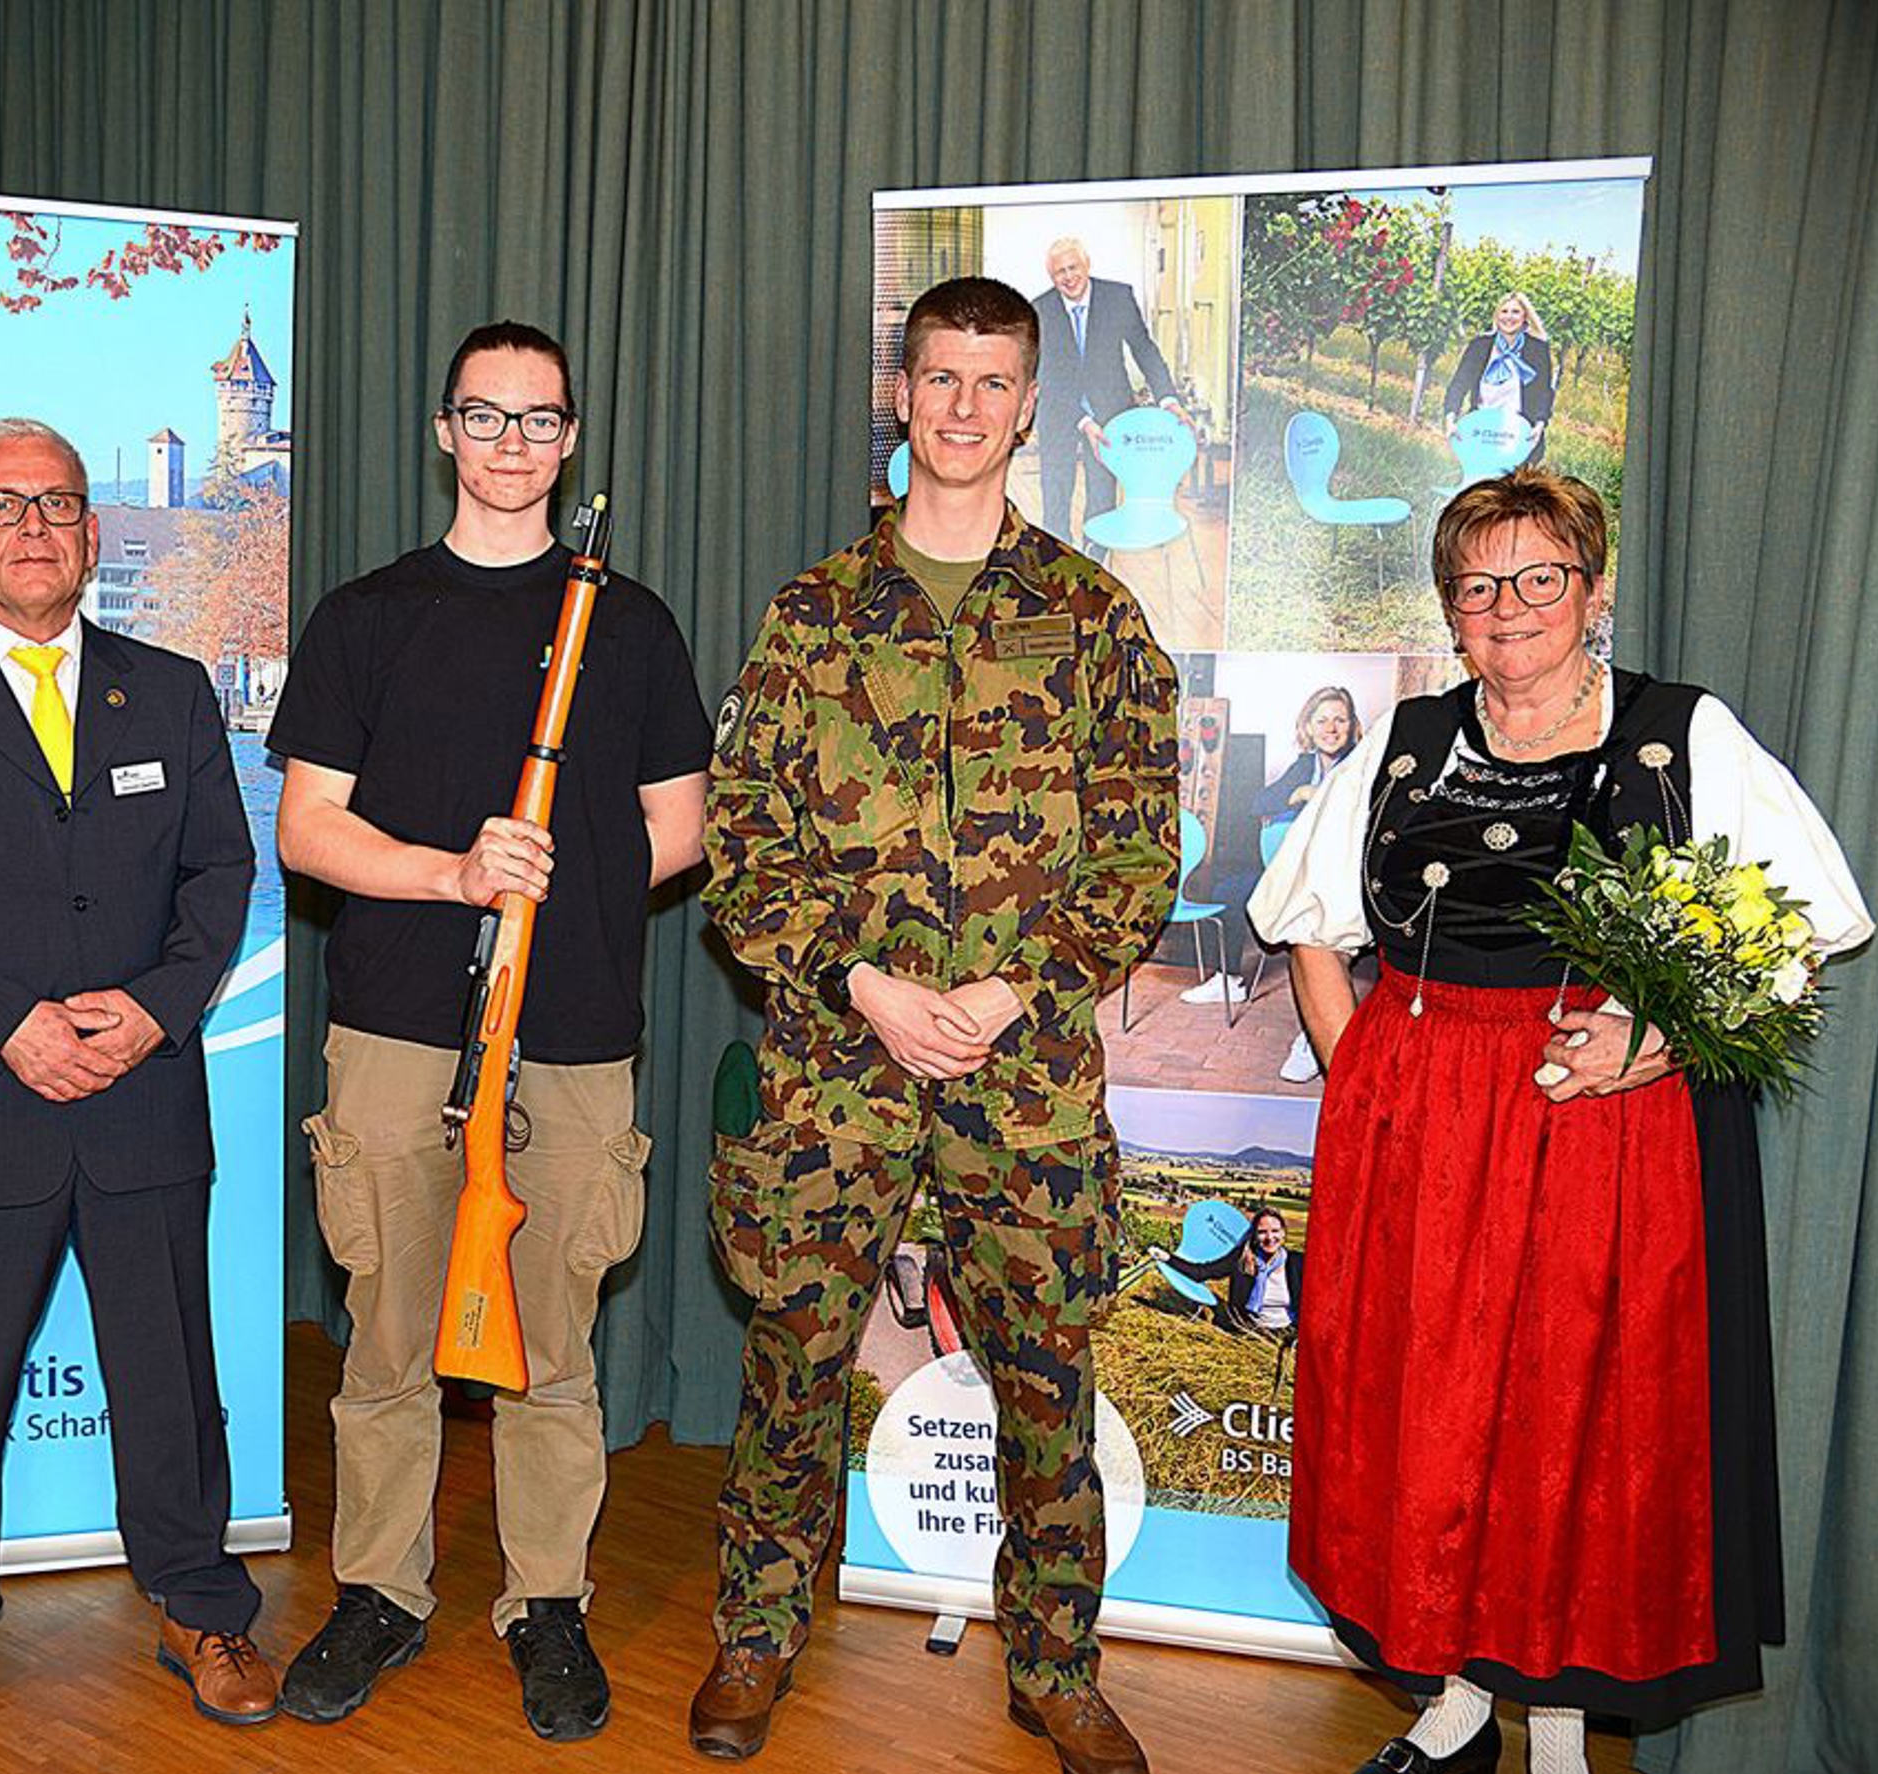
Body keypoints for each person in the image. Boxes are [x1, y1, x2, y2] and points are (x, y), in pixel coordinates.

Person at [1249, 467, 1872, 1774]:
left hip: (1603, 1138)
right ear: (1450, 609)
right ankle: (1459, 1704)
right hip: (1423, 1132)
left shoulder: (1676, 734)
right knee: (1435, 1415)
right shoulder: (1408, 739)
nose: (1509, 606)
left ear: (1590, 593)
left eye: (1539, 577)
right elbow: (1305, 922)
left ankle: (1555, 1744)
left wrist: (1652, 1041)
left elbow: (1807, 921)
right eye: (1478, 585)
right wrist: (1362, 1073)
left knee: (1564, 1432)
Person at [697, 275, 1178, 1774]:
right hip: (838, 1071)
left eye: (992, 382)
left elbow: (1139, 848)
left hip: (1020, 1078)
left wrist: (1011, 985)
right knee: (793, 1353)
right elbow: (742, 846)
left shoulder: (1093, 620)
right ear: (901, 395)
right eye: (939, 378)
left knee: (1046, 1365)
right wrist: (861, 982)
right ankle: (758, 1632)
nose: (963, 407)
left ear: (1030, 405)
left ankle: (1056, 1665)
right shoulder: (810, 615)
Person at [265, 320, 711, 1741]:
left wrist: (554, 913)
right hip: (394, 1026)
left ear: (568, 441)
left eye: (539, 420)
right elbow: (310, 830)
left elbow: (676, 829)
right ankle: (380, 1592)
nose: (512, 442)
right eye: (485, 415)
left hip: (572, 1034)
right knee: (385, 1338)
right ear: (440, 431)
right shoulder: (366, 616)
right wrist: (454, 876)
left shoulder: (628, 624)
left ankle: (549, 1601)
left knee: (552, 1345)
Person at [0, 417, 269, 1756]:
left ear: (90, 531)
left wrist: (147, 1010)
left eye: (60, 503)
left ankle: (200, 1605)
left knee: (168, 1373)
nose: (33, 526)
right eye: (1, 504)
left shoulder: (174, 688)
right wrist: (4, 1025)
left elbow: (219, 877)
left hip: (141, 1100)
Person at [1179, 685, 1365, 1084]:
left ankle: (1314, 1035)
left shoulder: (1361, 764)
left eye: (1340, 720)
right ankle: (1230, 978)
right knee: (1231, 891)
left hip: (1339, 875)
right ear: (1308, 727)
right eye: (1322, 721)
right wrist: (1298, 793)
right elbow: (1258, 804)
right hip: (1291, 869)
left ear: (1351, 726)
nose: (1332, 728)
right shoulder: (1305, 765)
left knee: (1317, 934)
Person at [1030, 237, 1191, 551]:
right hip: (1062, 414)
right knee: (1056, 498)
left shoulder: (1118, 297)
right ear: (1052, 277)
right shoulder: (1039, 310)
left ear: (1087, 264)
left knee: (1102, 497)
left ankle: (1094, 568)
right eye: (1059, 272)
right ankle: (1058, 570)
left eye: (1073, 267)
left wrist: (1168, 399)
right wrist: (1083, 421)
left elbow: (1144, 349)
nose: (1068, 277)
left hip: (1111, 413)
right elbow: (1045, 375)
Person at [1441, 292, 1555, 466]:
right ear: (1497, 315)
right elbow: (1459, 384)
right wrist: (1450, 417)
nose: (1509, 317)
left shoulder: (1538, 350)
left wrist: (1539, 424)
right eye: (1504, 311)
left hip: (1519, 435)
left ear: (1525, 317)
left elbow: (1544, 393)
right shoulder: (1480, 346)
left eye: (1515, 312)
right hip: (1482, 432)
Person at [1150, 1207, 1302, 1335]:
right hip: (1249, 1331)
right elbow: (1201, 1272)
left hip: (1287, 1331)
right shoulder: (1242, 1259)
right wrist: (1167, 1257)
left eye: (1275, 1231)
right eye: (1262, 1232)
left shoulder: (1298, 1263)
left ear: (1283, 1233)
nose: (1270, 1238)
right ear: (1254, 1235)